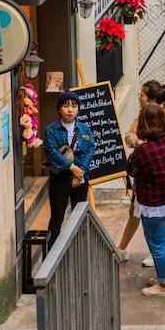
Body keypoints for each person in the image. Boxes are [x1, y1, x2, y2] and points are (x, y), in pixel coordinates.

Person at [127, 103, 165, 297]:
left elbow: (131, 169)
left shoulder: (143, 152)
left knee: (157, 243)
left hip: (154, 205)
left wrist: (137, 144)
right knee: (162, 239)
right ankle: (163, 274)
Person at [117, 80, 165, 267]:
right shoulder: (142, 115)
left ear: (151, 99)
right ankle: (122, 249)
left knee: (154, 221)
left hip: (155, 178)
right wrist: (139, 144)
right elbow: (128, 136)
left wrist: (143, 146)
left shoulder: (163, 119)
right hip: (144, 175)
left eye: (141, 95)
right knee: (135, 212)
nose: (139, 98)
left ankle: (157, 255)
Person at [43, 90, 96, 248]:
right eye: (66, 106)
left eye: (74, 106)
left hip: (80, 177)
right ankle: (53, 251)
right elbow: (51, 152)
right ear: (59, 109)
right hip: (59, 178)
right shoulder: (51, 130)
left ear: (78, 109)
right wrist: (71, 167)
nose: (70, 110)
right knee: (57, 218)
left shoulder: (84, 129)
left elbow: (90, 149)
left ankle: (78, 248)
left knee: (78, 216)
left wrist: (80, 173)